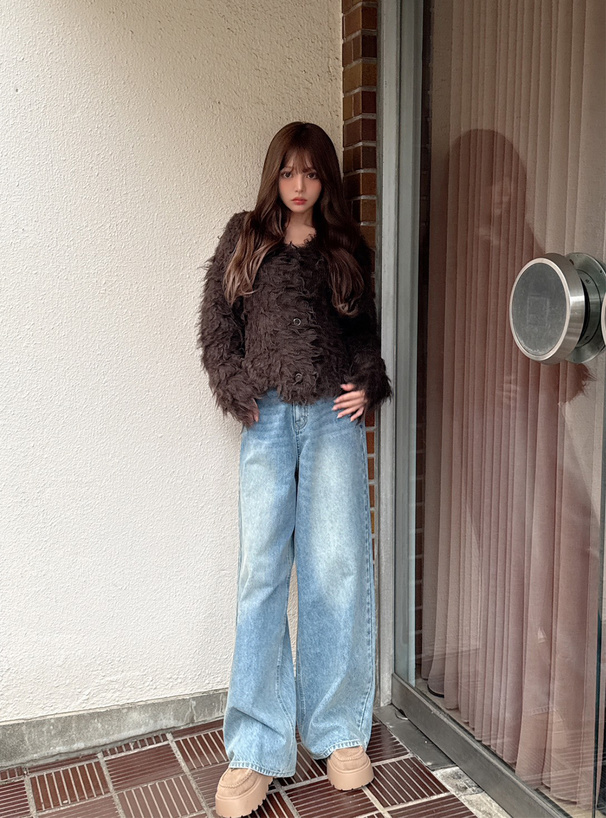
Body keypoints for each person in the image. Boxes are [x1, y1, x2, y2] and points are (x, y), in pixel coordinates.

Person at [197, 121, 392, 818]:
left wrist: (368, 381)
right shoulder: (246, 236)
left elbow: (363, 332)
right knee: (261, 572)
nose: (300, 185)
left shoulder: (344, 246)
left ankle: (338, 732)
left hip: (332, 416)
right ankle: (256, 746)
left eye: (311, 173)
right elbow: (217, 326)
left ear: (326, 178)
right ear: (273, 176)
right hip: (269, 417)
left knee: (335, 564)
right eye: (288, 172)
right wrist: (234, 386)